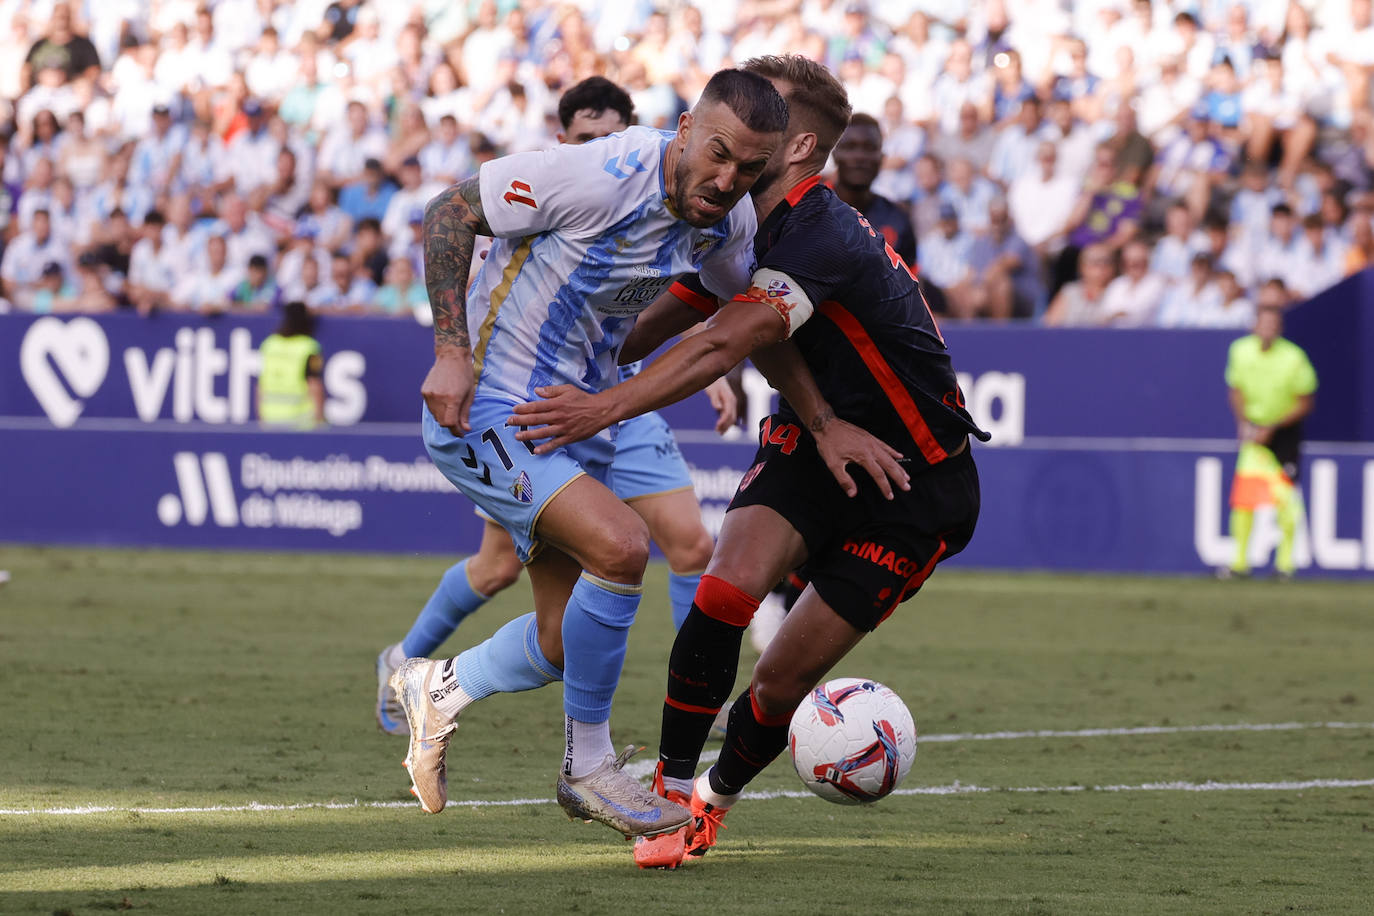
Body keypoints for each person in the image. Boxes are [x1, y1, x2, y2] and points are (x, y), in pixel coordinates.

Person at [507, 54, 987, 868]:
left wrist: (605, 405)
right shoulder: (728, 223)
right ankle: (660, 794)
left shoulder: (822, 231)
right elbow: (654, 322)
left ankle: (709, 807)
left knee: (776, 683)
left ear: (796, 147)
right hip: (813, 439)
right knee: (724, 595)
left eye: (765, 117)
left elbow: (731, 338)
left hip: (915, 484)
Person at [386, 68, 788, 840]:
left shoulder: (726, 222)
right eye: (719, 154)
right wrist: (449, 350)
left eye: (751, 170)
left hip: (571, 418)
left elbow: (741, 312)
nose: (729, 179)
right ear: (683, 129)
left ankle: (436, 687)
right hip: (488, 406)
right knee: (623, 544)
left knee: (560, 640)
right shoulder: (598, 174)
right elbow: (449, 212)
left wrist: (791, 400)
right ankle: (587, 767)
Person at [1221, 287, 1316, 580]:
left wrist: (1272, 427)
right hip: (1254, 432)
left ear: (1280, 329)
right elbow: (1235, 389)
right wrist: (1245, 423)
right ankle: (1239, 563)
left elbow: (1305, 402)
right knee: (1244, 501)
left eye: (1273, 325)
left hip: (1282, 434)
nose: (1268, 329)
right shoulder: (1240, 351)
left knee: (1286, 501)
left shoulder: (1294, 358)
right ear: (1254, 325)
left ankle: (1285, 565)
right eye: (1263, 323)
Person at [830, 112, 916, 267]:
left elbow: (914, 285)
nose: (859, 157)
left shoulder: (898, 218)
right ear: (835, 154)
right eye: (850, 147)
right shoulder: (810, 210)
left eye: (869, 148)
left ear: (882, 157)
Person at [257, 300, 325, 430]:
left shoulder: (270, 344)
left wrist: (261, 417)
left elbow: (260, 385)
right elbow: (314, 384)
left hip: (271, 418)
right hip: (301, 420)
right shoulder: (309, 347)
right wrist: (319, 420)